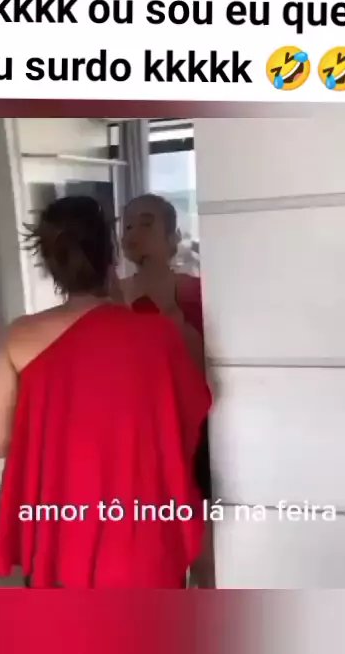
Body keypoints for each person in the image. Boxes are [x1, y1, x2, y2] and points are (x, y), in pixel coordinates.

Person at [0, 196, 211, 589]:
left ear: (50, 263)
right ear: (110, 255)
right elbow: (193, 413)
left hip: (59, 535)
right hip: (141, 536)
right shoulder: (158, 334)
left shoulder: (19, 336)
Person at [120, 194, 214, 587]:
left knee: (205, 552)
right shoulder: (111, 297)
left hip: (196, 436)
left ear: (173, 237)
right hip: (139, 441)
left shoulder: (200, 292)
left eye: (146, 223)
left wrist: (167, 309)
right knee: (157, 555)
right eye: (126, 225)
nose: (133, 233)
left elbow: (207, 368)